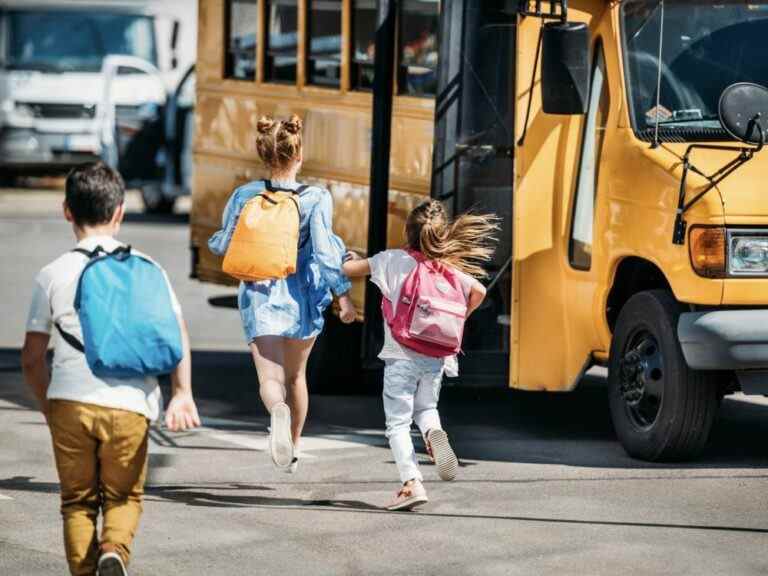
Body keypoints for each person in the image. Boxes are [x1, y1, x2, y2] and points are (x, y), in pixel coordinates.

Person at [21, 162, 201, 576]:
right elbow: (176, 332)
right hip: (130, 405)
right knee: (123, 497)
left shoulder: (52, 274)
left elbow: (31, 358)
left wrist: (50, 406)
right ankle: (114, 552)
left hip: (69, 400)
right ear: (119, 211)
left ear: (67, 211)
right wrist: (182, 392)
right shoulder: (147, 267)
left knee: (78, 503)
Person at [208, 114, 355, 473]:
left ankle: (276, 411)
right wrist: (343, 295)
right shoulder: (316, 198)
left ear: (263, 156)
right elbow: (323, 253)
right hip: (303, 298)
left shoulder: (245, 194)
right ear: (298, 156)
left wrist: (217, 242)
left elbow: (222, 244)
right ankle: (294, 446)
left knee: (271, 382)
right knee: (296, 379)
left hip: (260, 295)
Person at [343, 200, 498, 511]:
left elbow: (349, 270)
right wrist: (458, 318)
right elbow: (479, 291)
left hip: (401, 354)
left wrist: (348, 257)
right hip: (436, 355)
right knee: (426, 408)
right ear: (441, 236)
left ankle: (411, 483)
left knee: (397, 423)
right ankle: (433, 432)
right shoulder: (449, 269)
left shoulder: (392, 260)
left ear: (406, 232)